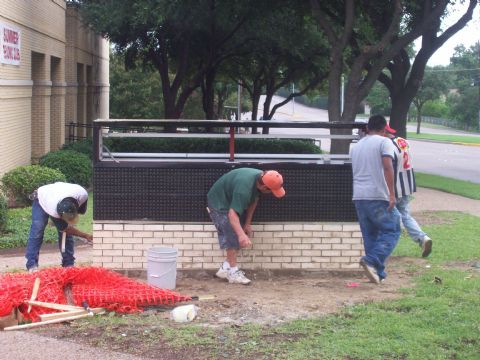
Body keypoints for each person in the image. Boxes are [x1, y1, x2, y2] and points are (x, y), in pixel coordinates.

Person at [207, 168, 285, 285]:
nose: (272, 193)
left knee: (239, 232)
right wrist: (241, 235)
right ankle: (233, 273)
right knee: (232, 235)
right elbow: (232, 215)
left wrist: (247, 223)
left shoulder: (260, 179)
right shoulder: (243, 189)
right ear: (264, 187)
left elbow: (253, 201)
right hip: (219, 202)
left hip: (230, 202)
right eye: (272, 191)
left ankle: (224, 269)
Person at [350, 115, 401, 284]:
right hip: (378, 195)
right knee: (392, 229)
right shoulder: (384, 142)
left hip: (359, 196)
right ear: (384, 129)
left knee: (371, 235)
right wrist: (392, 194)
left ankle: (377, 273)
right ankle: (372, 261)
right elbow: (387, 167)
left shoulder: (356, 146)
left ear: (368, 127)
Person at [384, 124, 432, 257]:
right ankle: (422, 238)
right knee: (405, 215)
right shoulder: (403, 141)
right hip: (406, 184)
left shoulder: (387, 145)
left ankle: (384, 247)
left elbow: (389, 167)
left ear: (383, 132)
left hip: (395, 187)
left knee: (387, 217)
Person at [25, 182, 93, 272]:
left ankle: (68, 264)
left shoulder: (82, 195)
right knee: (38, 230)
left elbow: (81, 212)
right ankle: (32, 265)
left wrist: (70, 222)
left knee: (66, 232)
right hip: (41, 198)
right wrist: (85, 235)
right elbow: (67, 229)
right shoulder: (54, 210)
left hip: (58, 194)